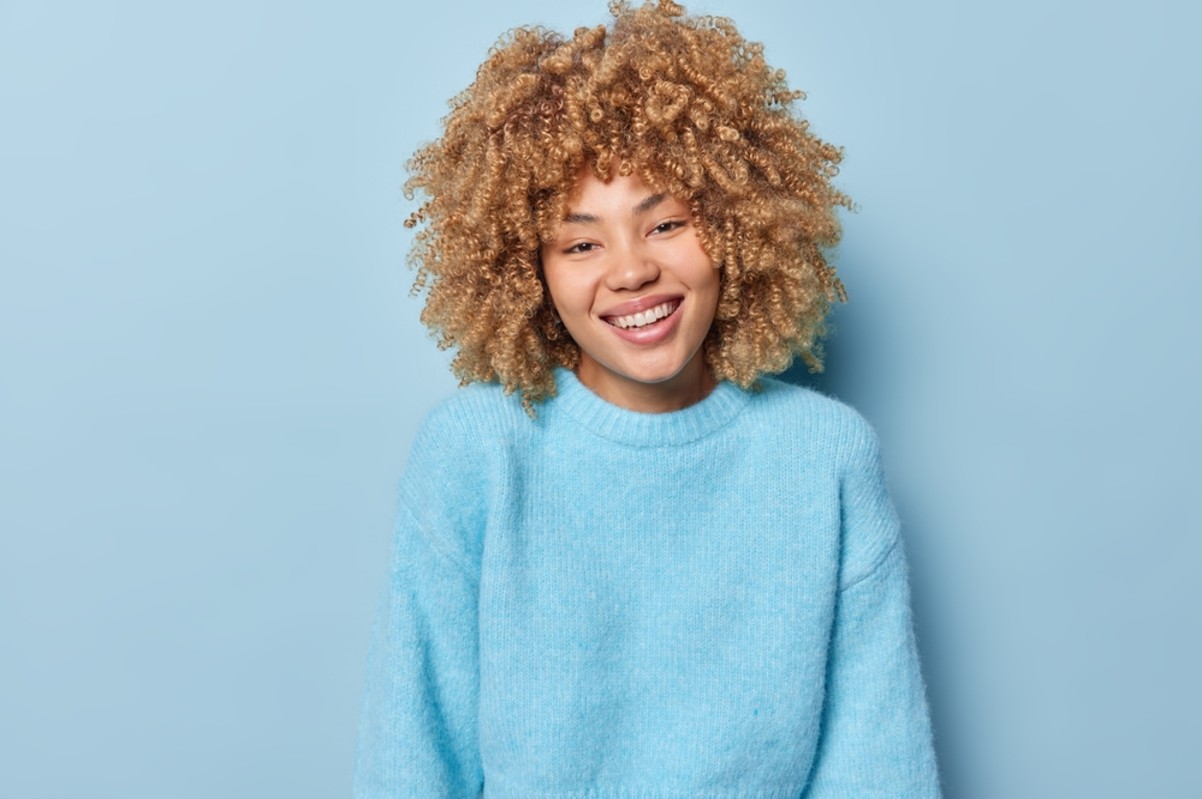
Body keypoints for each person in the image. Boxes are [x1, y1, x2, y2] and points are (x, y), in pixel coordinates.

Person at [354, 1, 940, 796]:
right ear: (527, 270)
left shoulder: (825, 458)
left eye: (666, 223)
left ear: (738, 223)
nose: (630, 271)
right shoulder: (478, 451)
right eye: (582, 242)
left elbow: (878, 770)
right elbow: (411, 760)